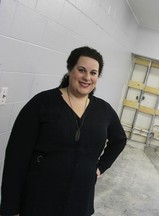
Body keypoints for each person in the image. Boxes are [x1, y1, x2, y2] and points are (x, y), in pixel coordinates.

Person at [0, 46, 127, 216]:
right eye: (81, 70)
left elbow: (119, 140)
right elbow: (16, 159)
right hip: (39, 201)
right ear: (70, 70)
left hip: (79, 202)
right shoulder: (42, 103)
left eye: (93, 73)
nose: (87, 77)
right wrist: (10, 208)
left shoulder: (103, 110)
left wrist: (100, 167)